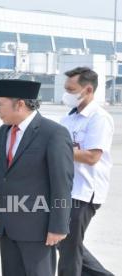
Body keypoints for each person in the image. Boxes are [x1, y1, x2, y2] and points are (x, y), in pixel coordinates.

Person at [0, 79, 74, 276]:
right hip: (7, 226)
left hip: (38, 229)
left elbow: (62, 183)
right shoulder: (4, 131)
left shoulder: (53, 133)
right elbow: (0, 177)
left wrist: (59, 226)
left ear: (19, 104)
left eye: (0, 104)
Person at [58, 67, 115, 276]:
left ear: (88, 89)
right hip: (67, 189)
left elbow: (92, 157)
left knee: (68, 249)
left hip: (85, 191)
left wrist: (61, 149)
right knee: (65, 243)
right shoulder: (69, 118)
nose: (66, 94)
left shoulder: (99, 118)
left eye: (71, 89)